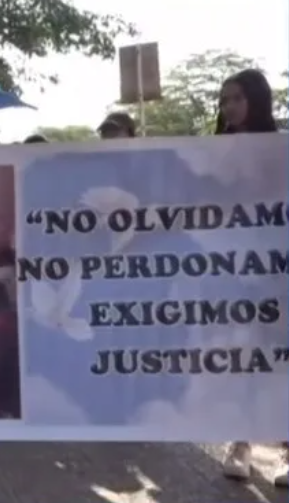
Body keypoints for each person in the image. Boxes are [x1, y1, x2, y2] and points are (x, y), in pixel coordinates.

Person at [213, 69, 286, 487]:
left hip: (277, 272)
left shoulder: (282, 148)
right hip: (232, 273)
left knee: (280, 359)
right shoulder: (212, 154)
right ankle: (239, 444)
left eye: (236, 98)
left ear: (256, 100)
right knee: (240, 357)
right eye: (224, 100)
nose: (229, 107)